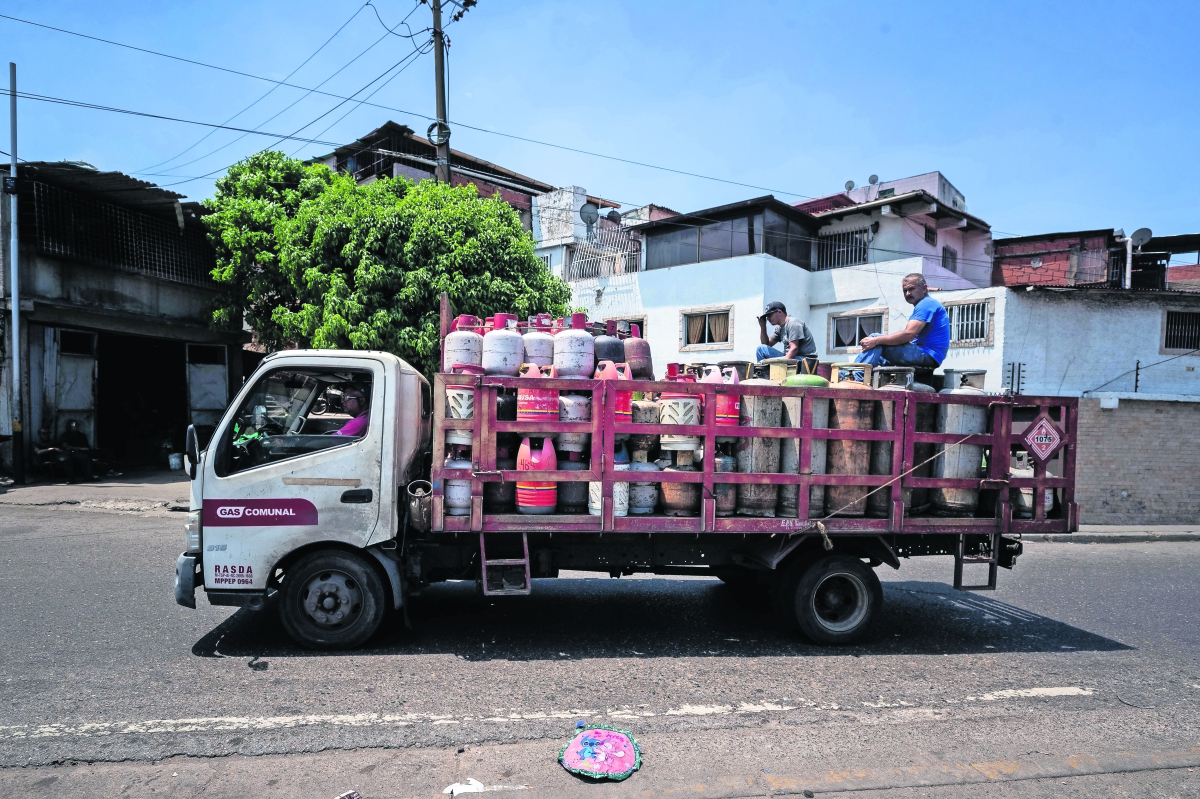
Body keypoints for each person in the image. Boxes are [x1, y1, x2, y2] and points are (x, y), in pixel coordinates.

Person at [855, 273, 950, 369]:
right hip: (925, 353)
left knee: (875, 338)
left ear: (924, 288)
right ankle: (848, 375)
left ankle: (856, 378)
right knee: (876, 356)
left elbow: (909, 335)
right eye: (905, 291)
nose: (907, 293)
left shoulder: (926, 303)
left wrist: (876, 340)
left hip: (928, 354)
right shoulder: (925, 305)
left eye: (911, 289)